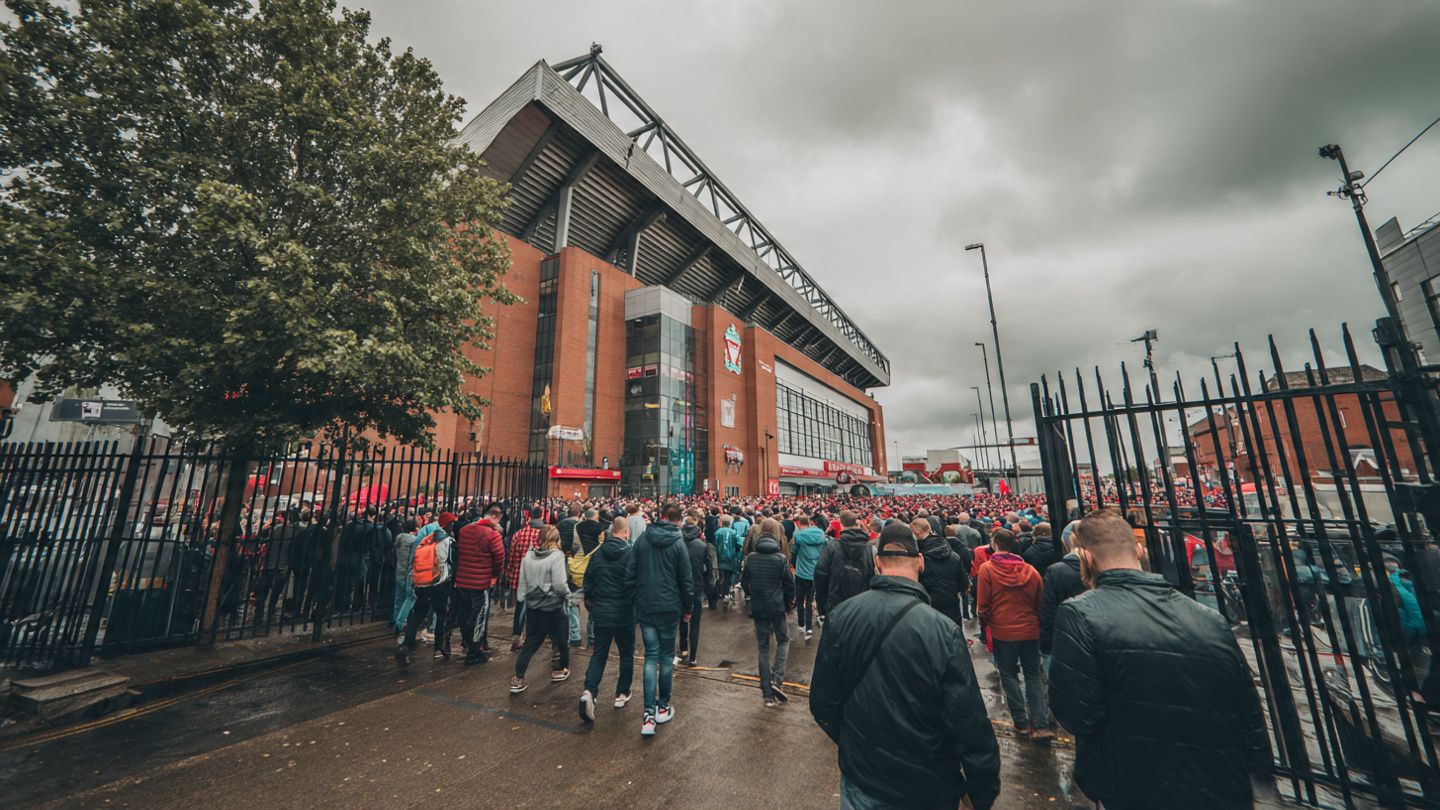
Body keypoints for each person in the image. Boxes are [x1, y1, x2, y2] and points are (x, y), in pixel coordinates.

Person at [1050, 509, 1274, 809]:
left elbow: (1074, 713)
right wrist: (1261, 779)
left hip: (1131, 785)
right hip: (1220, 784)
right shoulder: (1211, 619)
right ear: (1139, 551)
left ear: (1086, 559)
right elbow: (1249, 713)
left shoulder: (1080, 614)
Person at [810, 522, 1000, 810]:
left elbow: (823, 703)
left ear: (877, 564)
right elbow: (969, 723)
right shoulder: (943, 630)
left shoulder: (841, 616)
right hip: (928, 785)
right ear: (920, 562)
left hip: (863, 779)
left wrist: (854, 744)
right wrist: (981, 794)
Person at [623, 501, 693, 737]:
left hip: (647, 606)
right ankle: (663, 706)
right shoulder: (678, 543)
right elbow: (686, 580)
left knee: (651, 658)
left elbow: (629, 573)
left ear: (661, 516)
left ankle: (648, 715)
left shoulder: (642, 539)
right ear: (678, 519)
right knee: (665, 656)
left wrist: (637, 598)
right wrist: (687, 608)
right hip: (669, 607)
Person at [976, 528, 1052, 740]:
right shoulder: (1030, 571)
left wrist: (986, 623)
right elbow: (1040, 602)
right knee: (1033, 675)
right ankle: (1040, 723)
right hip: (1030, 630)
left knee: (1008, 675)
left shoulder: (987, 570)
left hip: (1002, 630)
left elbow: (983, 605)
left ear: (994, 543)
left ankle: (1021, 722)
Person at [580, 516, 635, 722]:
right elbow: (633, 582)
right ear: (626, 532)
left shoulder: (598, 553)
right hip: (623, 612)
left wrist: (591, 603)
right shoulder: (630, 553)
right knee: (626, 654)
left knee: (599, 654)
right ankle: (622, 693)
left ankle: (590, 691)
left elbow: (589, 579)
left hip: (602, 610)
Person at [741, 517, 795, 707]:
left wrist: (751, 594)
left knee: (763, 647)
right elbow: (790, 585)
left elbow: (744, 584)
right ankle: (777, 679)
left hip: (758, 605)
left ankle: (766, 693)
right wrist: (788, 605)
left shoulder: (751, 558)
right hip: (776, 605)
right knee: (783, 640)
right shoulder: (780, 559)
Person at [511, 525, 570, 693]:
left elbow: (523, 581)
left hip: (533, 605)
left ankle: (518, 678)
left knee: (531, 643)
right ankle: (560, 669)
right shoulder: (557, 556)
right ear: (557, 540)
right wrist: (567, 594)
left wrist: (524, 598)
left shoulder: (528, 556)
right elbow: (559, 584)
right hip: (552, 606)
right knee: (561, 640)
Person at [395, 519, 454, 664]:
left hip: (422, 582)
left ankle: (405, 645)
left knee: (417, 614)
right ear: (448, 527)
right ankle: (438, 649)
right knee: (440, 614)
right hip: (439, 583)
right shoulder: (448, 541)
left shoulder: (427, 540)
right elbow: (451, 562)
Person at [454, 504, 505, 665]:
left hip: (462, 579)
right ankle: (474, 651)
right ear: (496, 517)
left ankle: (468, 643)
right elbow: (499, 559)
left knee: (465, 614)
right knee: (478, 617)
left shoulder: (465, 530)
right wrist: (494, 575)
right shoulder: (492, 535)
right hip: (480, 581)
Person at [1038, 522, 1085, 671]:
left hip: (1063, 642)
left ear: (1066, 542)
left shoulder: (1057, 571)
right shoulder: (1104, 566)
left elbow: (1047, 612)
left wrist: (1045, 645)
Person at [814, 510, 875, 623]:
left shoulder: (832, 546)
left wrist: (822, 606)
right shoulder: (870, 549)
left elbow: (820, 576)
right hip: (862, 605)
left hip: (836, 604)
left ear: (841, 523)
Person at [677, 513, 713, 666]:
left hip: (680, 587)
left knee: (683, 619)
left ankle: (684, 649)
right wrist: (709, 586)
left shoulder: (678, 543)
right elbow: (708, 570)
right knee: (696, 623)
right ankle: (693, 657)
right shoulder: (702, 546)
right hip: (696, 586)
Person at [505, 509, 543, 652]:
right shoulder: (543, 534)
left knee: (520, 609)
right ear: (541, 517)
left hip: (520, 575)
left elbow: (512, 556)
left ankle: (516, 638)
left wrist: (510, 573)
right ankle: (531, 639)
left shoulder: (518, 534)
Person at [916, 517, 965, 626]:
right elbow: (963, 585)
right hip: (952, 608)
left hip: (928, 611)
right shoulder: (954, 556)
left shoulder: (917, 559)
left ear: (918, 534)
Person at [791, 513, 828, 641]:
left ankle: (801, 624)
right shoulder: (821, 535)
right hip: (814, 573)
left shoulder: (798, 536)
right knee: (811, 599)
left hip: (801, 572)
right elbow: (825, 553)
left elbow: (794, 552)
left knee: (800, 600)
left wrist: (794, 564)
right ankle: (809, 628)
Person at [391, 516, 419, 634]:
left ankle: (395, 618)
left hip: (399, 569)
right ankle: (400, 623)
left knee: (398, 598)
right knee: (410, 598)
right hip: (408, 571)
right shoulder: (414, 540)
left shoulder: (399, 537)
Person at [714, 515, 743, 605]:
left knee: (719, 577)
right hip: (730, 557)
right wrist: (736, 552)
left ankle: (719, 594)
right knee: (728, 577)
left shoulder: (717, 532)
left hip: (720, 556)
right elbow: (738, 543)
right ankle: (726, 594)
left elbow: (715, 544)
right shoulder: (733, 532)